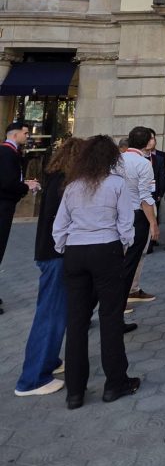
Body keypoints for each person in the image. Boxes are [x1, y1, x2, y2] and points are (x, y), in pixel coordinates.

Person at [52, 135, 138, 410]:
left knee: (76, 321)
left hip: (76, 252)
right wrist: (123, 245)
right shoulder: (116, 184)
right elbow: (126, 222)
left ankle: (75, 391)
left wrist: (65, 247)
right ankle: (115, 382)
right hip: (106, 249)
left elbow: (59, 226)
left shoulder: (73, 186)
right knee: (110, 317)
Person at [15, 138, 84, 397]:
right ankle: (32, 378)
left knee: (52, 311)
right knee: (51, 315)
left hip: (48, 252)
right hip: (57, 254)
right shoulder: (66, 183)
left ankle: (49, 360)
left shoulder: (56, 177)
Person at [119, 127, 159, 331]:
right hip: (136, 216)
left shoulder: (117, 159)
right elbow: (145, 196)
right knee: (130, 263)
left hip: (117, 215)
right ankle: (119, 307)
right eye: (153, 138)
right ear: (148, 142)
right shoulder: (143, 164)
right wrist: (153, 222)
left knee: (117, 262)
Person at [0, 122, 40, 313]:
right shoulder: (8, 153)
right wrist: (26, 187)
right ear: (15, 135)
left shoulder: (8, 152)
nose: (27, 136)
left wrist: (23, 183)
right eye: (25, 133)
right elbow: (7, 183)